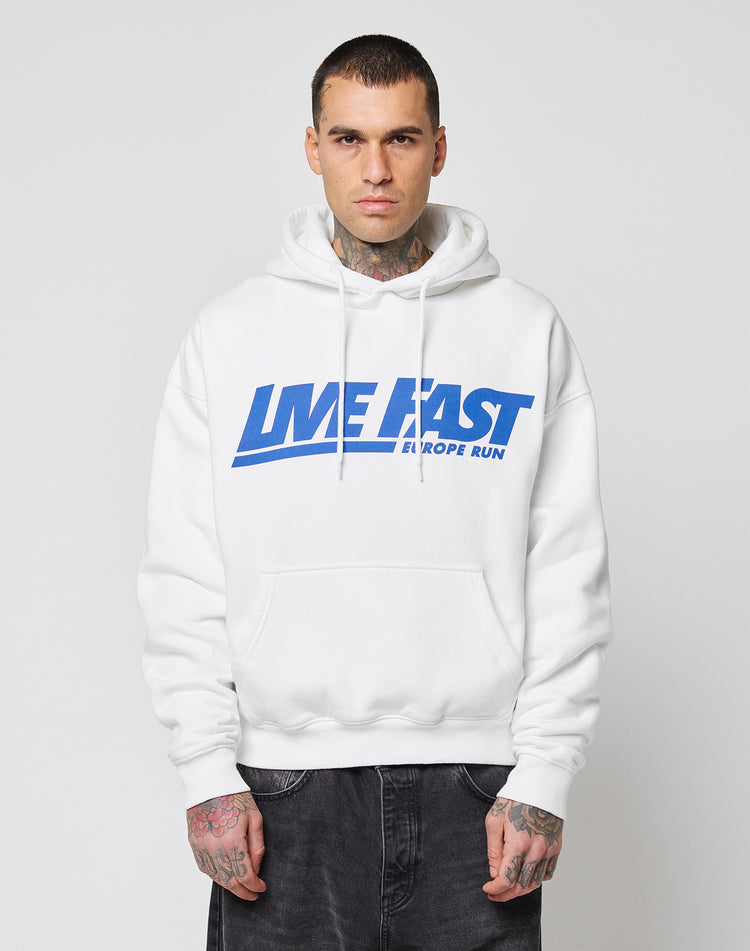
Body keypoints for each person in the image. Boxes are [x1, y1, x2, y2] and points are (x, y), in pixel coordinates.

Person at [137, 34, 611, 951]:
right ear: (312, 149)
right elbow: (183, 567)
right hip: (281, 785)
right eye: (349, 139)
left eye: (401, 138)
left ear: (440, 147)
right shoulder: (232, 335)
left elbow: (567, 565)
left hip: (478, 783)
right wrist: (205, 766)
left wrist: (546, 771)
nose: (377, 169)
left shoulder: (523, 331)